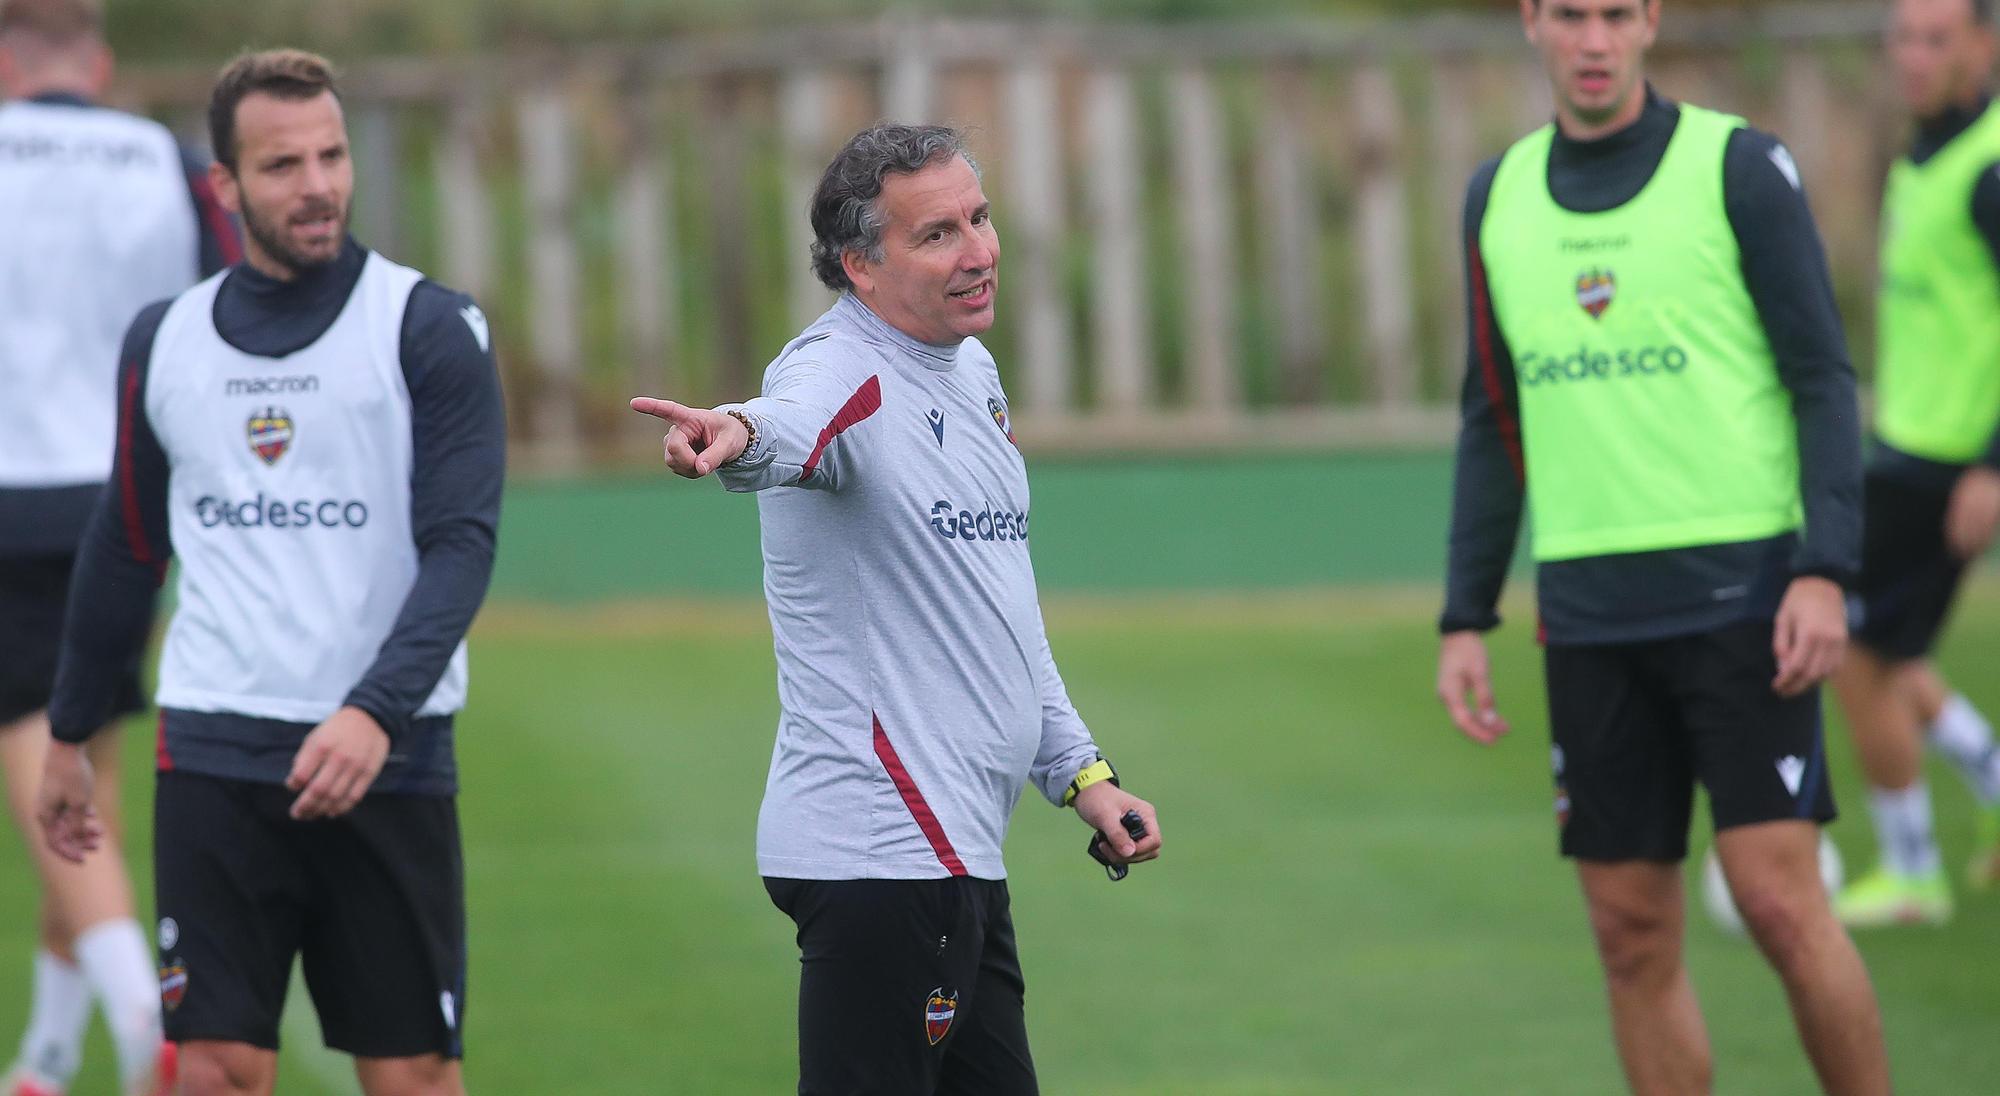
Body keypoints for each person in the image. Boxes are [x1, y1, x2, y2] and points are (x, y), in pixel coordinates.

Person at [629, 123, 1161, 1096]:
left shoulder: (969, 372)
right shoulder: (841, 373)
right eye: (937, 235)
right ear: (858, 268)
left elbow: (998, 609)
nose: (978, 251)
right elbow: (782, 427)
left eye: (979, 218)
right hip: (881, 856)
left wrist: (1082, 772)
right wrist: (724, 432)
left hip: (951, 860)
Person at [1435, 1, 1891, 1092]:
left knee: (1779, 901)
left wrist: (1824, 566)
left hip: (1746, 600)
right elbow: (1489, 418)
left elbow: (1822, 378)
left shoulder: (1735, 166)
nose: (1591, 40)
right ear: (1530, 22)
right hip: (1587, 614)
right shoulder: (1494, 197)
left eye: (1613, 14)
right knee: (1627, 933)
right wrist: (1465, 611)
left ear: (1648, 21)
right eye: (1568, 15)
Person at [35, 48, 504, 1096]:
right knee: (213, 1066)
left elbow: (462, 545)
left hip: (387, 755)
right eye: (284, 163)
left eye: (331, 155)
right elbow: (126, 544)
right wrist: (69, 730)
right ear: (226, 185)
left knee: (412, 1074)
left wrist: (376, 712)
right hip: (213, 745)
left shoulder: (429, 327)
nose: (319, 184)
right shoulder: (166, 339)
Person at [0, 0, 237, 1092]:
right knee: (82, 751)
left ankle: (146, 1014)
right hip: (127, 495)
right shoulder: (167, 162)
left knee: (33, 734)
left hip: (9, 494)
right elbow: (228, 310)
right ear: (94, 60)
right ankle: (47, 1056)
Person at [1831, 0, 2000, 930]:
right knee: (1889, 646)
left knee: (1848, 645)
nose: (1916, 55)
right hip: (1905, 445)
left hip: (1947, 465)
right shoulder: (1923, 149)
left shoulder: (1989, 167)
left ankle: (1911, 871)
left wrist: (1992, 464)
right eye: (1904, 36)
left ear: (1984, 45)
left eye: (1939, 38)